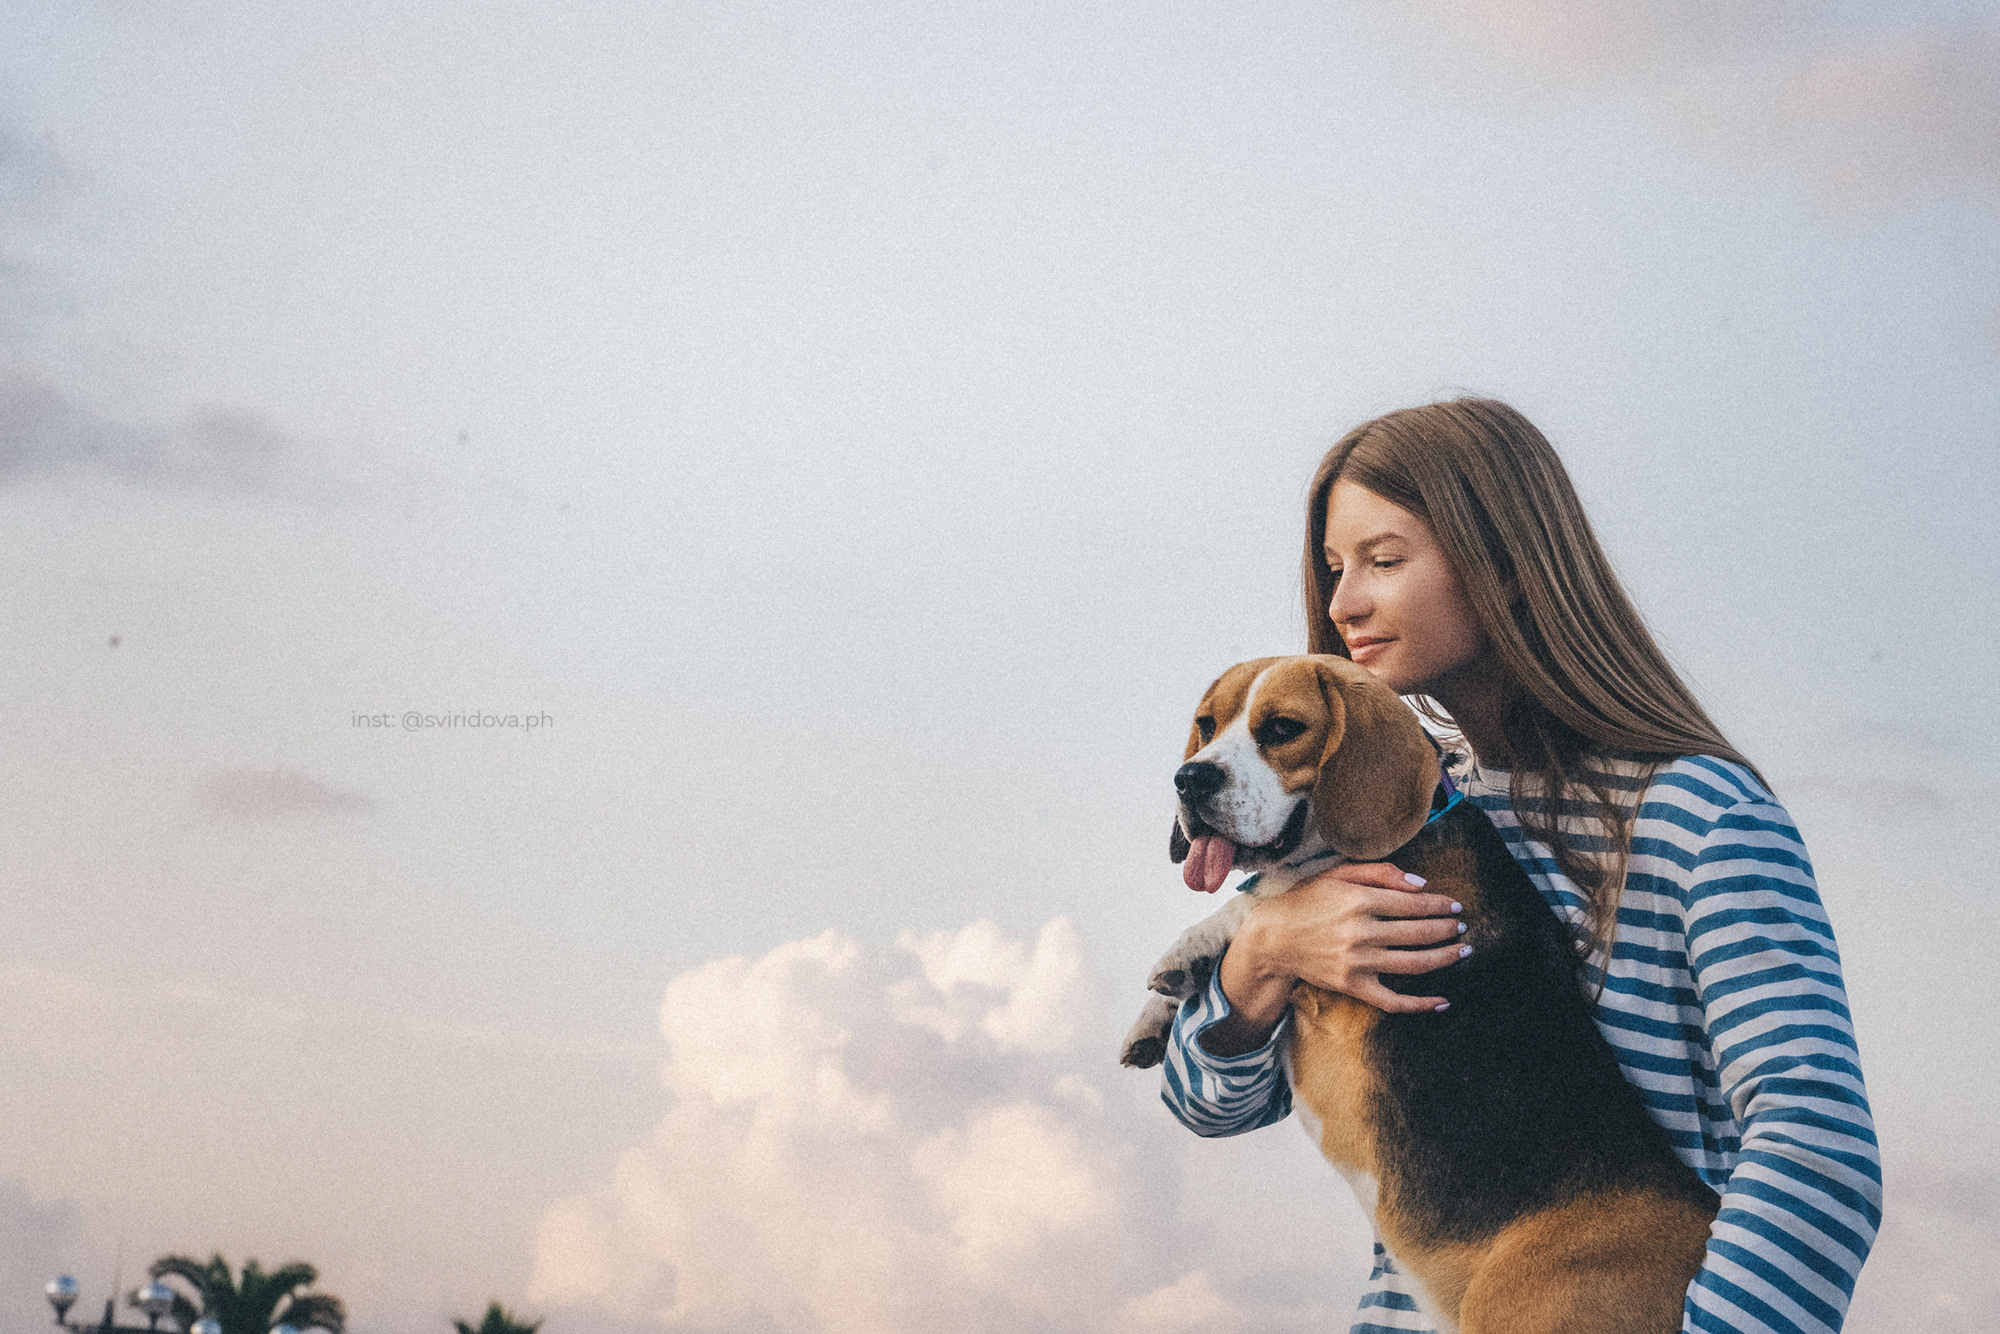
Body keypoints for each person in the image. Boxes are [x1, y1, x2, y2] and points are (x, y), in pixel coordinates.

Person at [1159, 398, 1880, 1334]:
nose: (1342, 605)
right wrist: (1264, 953)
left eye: (1384, 560)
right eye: (1335, 569)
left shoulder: (1700, 815)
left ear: (1503, 561)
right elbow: (1210, 1105)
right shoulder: (1382, 817)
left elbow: (1814, 1142)